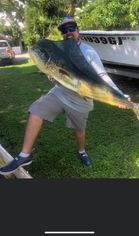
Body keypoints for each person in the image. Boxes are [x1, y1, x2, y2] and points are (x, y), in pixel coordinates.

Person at [0, 16, 131, 175]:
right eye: (64, 30)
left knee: (79, 130)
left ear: (78, 31)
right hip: (60, 92)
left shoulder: (88, 51)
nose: (68, 32)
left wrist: (121, 95)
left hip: (82, 98)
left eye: (71, 28)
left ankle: (82, 151)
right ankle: (24, 155)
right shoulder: (61, 49)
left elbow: (102, 76)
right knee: (36, 110)